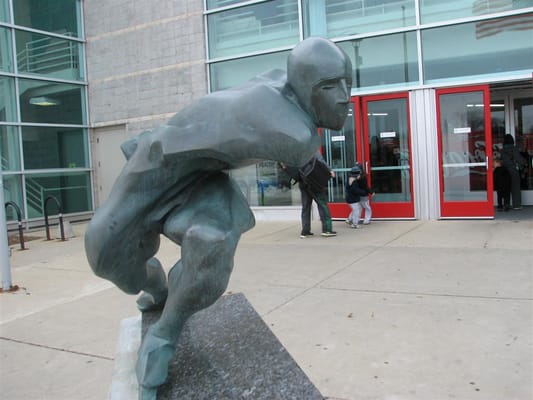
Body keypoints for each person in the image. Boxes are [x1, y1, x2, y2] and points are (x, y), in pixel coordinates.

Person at [84, 37, 352, 398]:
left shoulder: (281, 82)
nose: (345, 96)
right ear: (303, 85)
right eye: (330, 86)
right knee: (103, 254)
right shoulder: (294, 135)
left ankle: (164, 334)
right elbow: (206, 130)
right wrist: (157, 144)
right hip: (159, 165)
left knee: (212, 242)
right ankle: (156, 286)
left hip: (203, 176)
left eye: (347, 81)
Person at [297, 153, 337, 238]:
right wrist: (330, 170)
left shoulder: (295, 152)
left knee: (306, 208)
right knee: (322, 205)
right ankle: (327, 229)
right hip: (314, 183)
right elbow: (320, 161)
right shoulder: (311, 148)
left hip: (303, 183)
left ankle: (305, 231)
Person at [501, 134, 527, 210]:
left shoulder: (502, 150)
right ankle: (516, 205)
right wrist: (524, 162)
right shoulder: (513, 148)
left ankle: (506, 204)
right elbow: (519, 159)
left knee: (506, 188)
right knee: (515, 187)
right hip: (513, 170)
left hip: (504, 170)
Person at [345, 164, 368, 229]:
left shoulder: (351, 179)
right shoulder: (353, 181)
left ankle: (351, 220)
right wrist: (363, 192)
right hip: (352, 199)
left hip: (351, 198)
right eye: (359, 174)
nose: (360, 175)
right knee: (356, 211)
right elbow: (355, 190)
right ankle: (355, 224)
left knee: (356, 210)